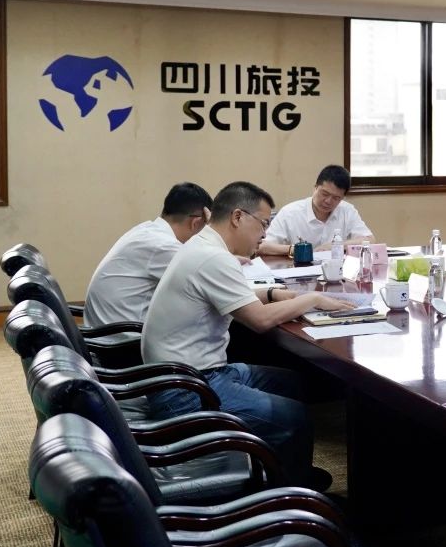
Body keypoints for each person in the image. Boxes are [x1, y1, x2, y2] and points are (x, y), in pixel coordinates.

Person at [142, 181, 357, 490]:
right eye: (263, 224)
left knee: (292, 383)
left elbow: (232, 294)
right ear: (238, 217)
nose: (264, 235)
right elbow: (259, 320)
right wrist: (312, 299)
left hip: (191, 374)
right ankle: (289, 497)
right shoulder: (213, 257)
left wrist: (272, 293)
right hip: (186, 390)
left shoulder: (203, 245)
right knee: (293, 417)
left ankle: (286, 472)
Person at [84, 182, 213, 327]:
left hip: (106, 330)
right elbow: (214, 276)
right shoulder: (163, 245)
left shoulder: (146, 231)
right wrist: (213, 233)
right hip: (124, 336)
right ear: (195, 223)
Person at [259, 164, 372, 256]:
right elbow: (261, 246)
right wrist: (296, 250)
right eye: (324, 194)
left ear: (342, 198)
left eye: (336, 198)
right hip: (298, 272)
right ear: (315, 187)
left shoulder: (347, 210)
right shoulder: (290, 213)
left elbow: (369, 240)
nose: (328, 201)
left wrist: (336, 246)